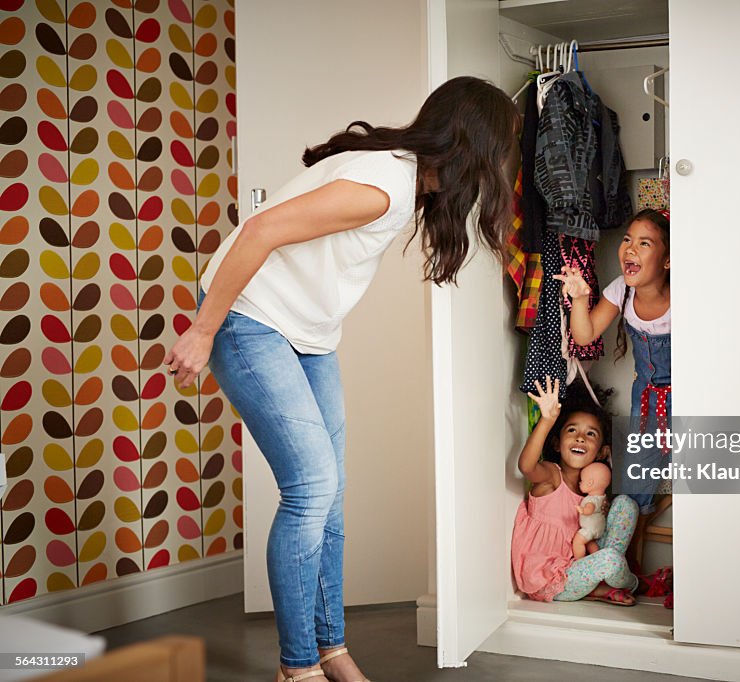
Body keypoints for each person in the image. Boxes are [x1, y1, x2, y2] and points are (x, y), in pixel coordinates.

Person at [163, 76, 519, 682]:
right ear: (474, 145)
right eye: (503, 149)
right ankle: (297, 667)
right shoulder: (383, 186)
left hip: (308, 335)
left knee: (330, 495)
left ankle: (332, 651)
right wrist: (203, 328)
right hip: (251, 321)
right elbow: (260, 230)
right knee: (310, 489)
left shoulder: (404, 178)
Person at [554, 208, 671, 573]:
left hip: (694, 393)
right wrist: (578, 298)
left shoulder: (687, 294)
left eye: (644, 243)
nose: (630, 249)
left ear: (667, 261)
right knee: (635, 479)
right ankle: (624, 566)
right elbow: (585, 334)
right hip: (648, 397)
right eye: (626, 240)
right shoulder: (621, 290)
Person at [511, 376, 640, 606]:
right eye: (572, 430)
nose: (580, 437)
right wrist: (548, 420)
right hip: (552, 579)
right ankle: (631, 583)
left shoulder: (591, 492)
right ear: (556, 443)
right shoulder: (551, 477)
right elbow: (526, 466)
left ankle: (603, 584)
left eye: (591, 434)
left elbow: (594, 533)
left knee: (626, 504)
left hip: (580, 563)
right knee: (610, 560)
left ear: (601, 452)